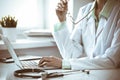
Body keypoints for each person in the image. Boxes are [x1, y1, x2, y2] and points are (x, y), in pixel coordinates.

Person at [38, 0, 120, 70]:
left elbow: (112, 60)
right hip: (88, 74)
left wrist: (64, 63)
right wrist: (62, 21)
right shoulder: (84, 11)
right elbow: (72, 55)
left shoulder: (117, 11)